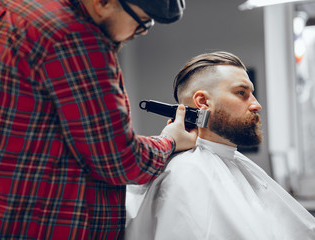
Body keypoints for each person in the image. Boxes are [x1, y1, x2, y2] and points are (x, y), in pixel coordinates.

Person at [0, 0, 197, 239]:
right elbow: (119, 160)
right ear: (103, 2)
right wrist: (169, 141)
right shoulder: (74, 37)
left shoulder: (3, 6)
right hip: (37, 227)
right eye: (142, 24)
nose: (137, 33)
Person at [125, 51, 315, 240]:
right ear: (203, 102)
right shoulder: (186, 173)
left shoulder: (233, 162)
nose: (256, 105)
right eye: (242, 93)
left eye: (252, 94)